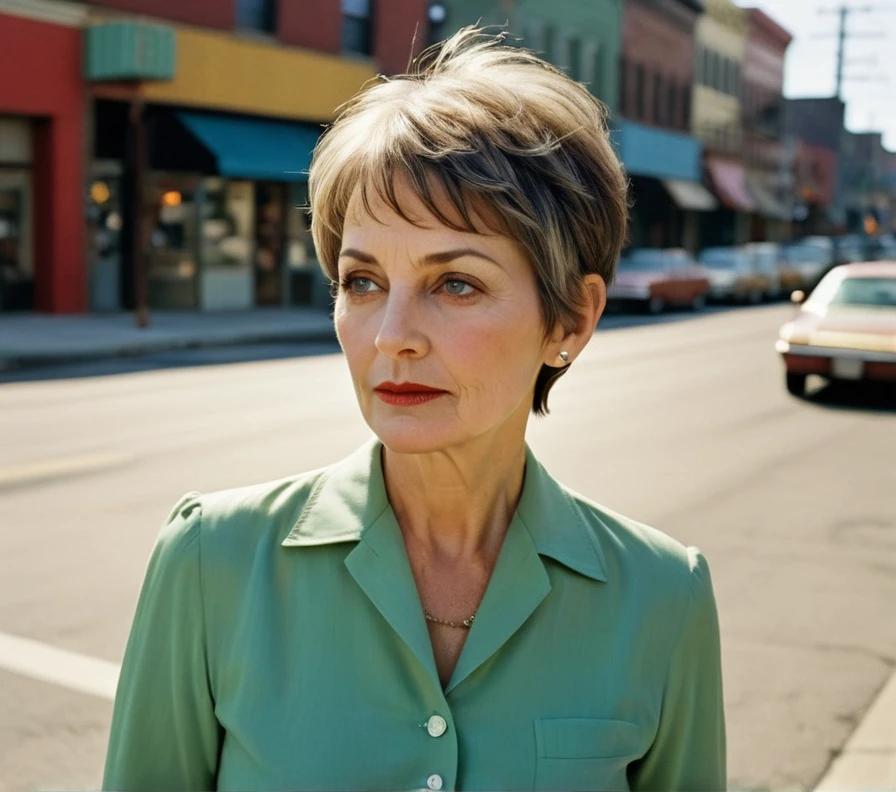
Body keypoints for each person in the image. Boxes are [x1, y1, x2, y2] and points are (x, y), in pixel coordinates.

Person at [102, 26, 726, 792]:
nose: (392, 337)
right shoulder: (212, 562)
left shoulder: (663, 596)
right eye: (363, 282)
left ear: (570, 320)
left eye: (454, 284)